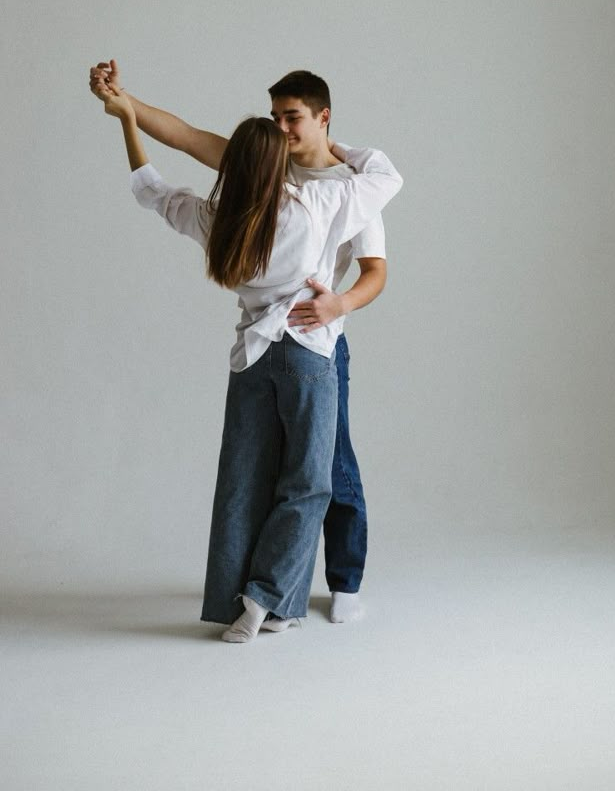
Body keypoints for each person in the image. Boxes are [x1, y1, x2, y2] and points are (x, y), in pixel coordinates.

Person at [92, 77, 402, 643]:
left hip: (255, 353)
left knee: (248, 478)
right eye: (275, 122)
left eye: (292, 119)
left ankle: (285, 590)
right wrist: (345, 152)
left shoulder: (221, 217)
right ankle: (267, 598)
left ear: (320, 117)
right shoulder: (325, 200)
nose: (283, 130)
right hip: (310, 350)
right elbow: (388, 176)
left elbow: (154, 189)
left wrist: (125, 117)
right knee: (308, 481)